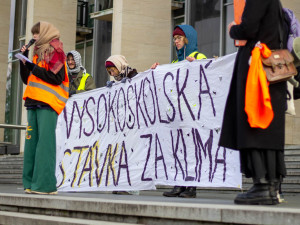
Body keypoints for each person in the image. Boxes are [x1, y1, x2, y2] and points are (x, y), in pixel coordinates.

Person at [219, 0, 288, 205]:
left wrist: (233, 29)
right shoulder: (276, 5)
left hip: (256, 71)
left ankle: (262, 185)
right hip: (271, 68)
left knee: (253, 123)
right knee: (269, 128)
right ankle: (272, 185)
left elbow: (248, 27)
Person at [151, 24, 207, 198]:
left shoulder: (198, 56)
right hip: (177, 114)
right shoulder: (175, 63)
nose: (176, 41)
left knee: (191, 150)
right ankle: (179, 183)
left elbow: (208, 74)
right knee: (178, 150)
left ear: (187, 39)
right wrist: (156, 72)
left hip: (192, 113)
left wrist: (197, 65)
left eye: (179, 38)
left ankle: (191, 186)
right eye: (174, 39)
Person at [19, 21, 69, 195]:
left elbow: (56, 78)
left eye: (37, 33)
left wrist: (32, 66)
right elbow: (27, 80)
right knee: (31, 144)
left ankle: (45, 185)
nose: (34, 37)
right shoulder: (36, 53)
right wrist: (23, 60)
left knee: (44, 145)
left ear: (46, 33)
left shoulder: (55, 51)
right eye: (33, 34)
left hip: (48, 103)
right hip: (33, 102)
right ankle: (30, 184)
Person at [105, 54, 139, 195]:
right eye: (110, 72)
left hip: (133, 124)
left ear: (119, 67)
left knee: (131, 155)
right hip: (120, 125)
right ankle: (121, 183)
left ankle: (133, 186)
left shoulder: (135, 76)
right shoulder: (116, 83)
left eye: (113, 70)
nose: (112, 74)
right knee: (120, 154)